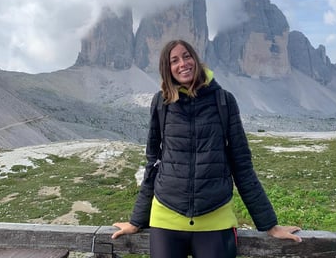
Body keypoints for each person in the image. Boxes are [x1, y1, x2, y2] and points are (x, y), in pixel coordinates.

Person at [112, 39, 301, 257]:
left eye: (187, 56)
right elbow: (153, 162)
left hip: (215, 219)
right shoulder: (161, 102)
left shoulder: (224, 100)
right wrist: (136, 221)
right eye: (174, 60)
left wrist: (270, 224)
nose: (182, 63)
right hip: (166, 218)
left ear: (196, 59)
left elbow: (242, 165)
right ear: (167, 68)